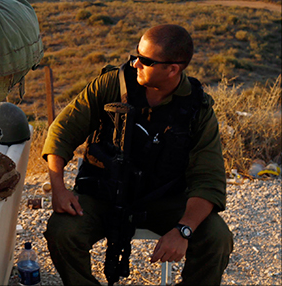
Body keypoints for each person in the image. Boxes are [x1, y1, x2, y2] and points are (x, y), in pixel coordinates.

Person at [42, 24, 233, 286]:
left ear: (173, 69)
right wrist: (59, 190)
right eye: (136, 55)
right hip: (102, 194)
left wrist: (183, 229)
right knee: (62, 231)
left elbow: (208, 178)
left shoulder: (196, 109)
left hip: (164, 199)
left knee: (217, 238)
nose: (135, 65)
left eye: (145, 60)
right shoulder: (112, 85)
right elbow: (62, 132)